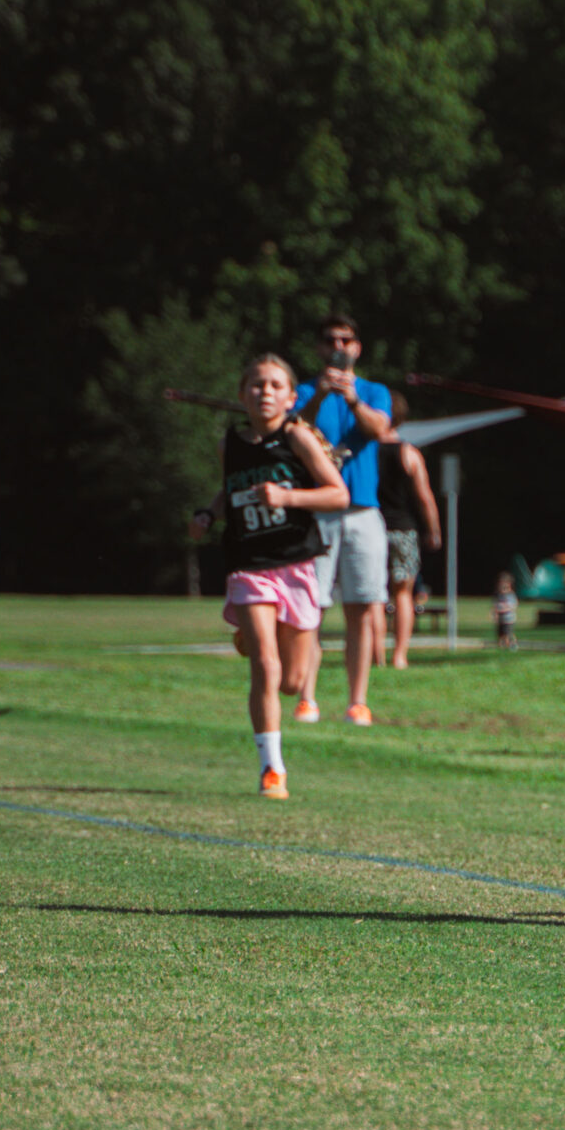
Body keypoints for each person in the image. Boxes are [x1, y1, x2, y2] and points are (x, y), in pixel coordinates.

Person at [203, 353, 349, 799]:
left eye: (274, 385)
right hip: (250, 564)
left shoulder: (298, 437)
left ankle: (251, 636)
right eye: (256, 384)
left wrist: (288, 498)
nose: (264, 392)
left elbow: (338, 495)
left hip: (297, 563)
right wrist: (208, 514)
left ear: (290, 398)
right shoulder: (230, 443)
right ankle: (272, 769)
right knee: (265, 667)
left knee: (291, 681)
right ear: (242, 394)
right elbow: (229, 489)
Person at [292, 314, 395, 725]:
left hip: (363, 510)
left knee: (362, 608)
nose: (338, 346)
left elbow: (380, 429)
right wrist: (319, 396)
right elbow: (292, 431)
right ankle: (307, 698)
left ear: (357, 347)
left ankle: (358, 701)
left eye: (346, 339)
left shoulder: (373, 391)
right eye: (331, 339)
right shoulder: (303, 391)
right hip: (318, 510)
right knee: (310, 609)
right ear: (319, 347)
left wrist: (352, 399)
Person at [374, 393, 443, 670]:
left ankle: (377, 656)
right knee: (403, 594)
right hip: (403, 530)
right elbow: (424, 497)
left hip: (371, 529)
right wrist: (433, 530)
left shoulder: (364, 452)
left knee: (375, 596)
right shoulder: (409, 453)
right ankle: (400, 656)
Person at [491, 571, 519, 650]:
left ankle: (511, 644)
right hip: (501, 619)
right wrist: (494, 614)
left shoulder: (511, 595)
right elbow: (494, 606)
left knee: (507, 633)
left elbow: (513, 606)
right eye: (500, 585)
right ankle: (501, 646)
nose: (502, 587)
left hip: (508, 619)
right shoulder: (499, 595)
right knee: (500, 633)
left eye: (505, 585)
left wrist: (504, 608)